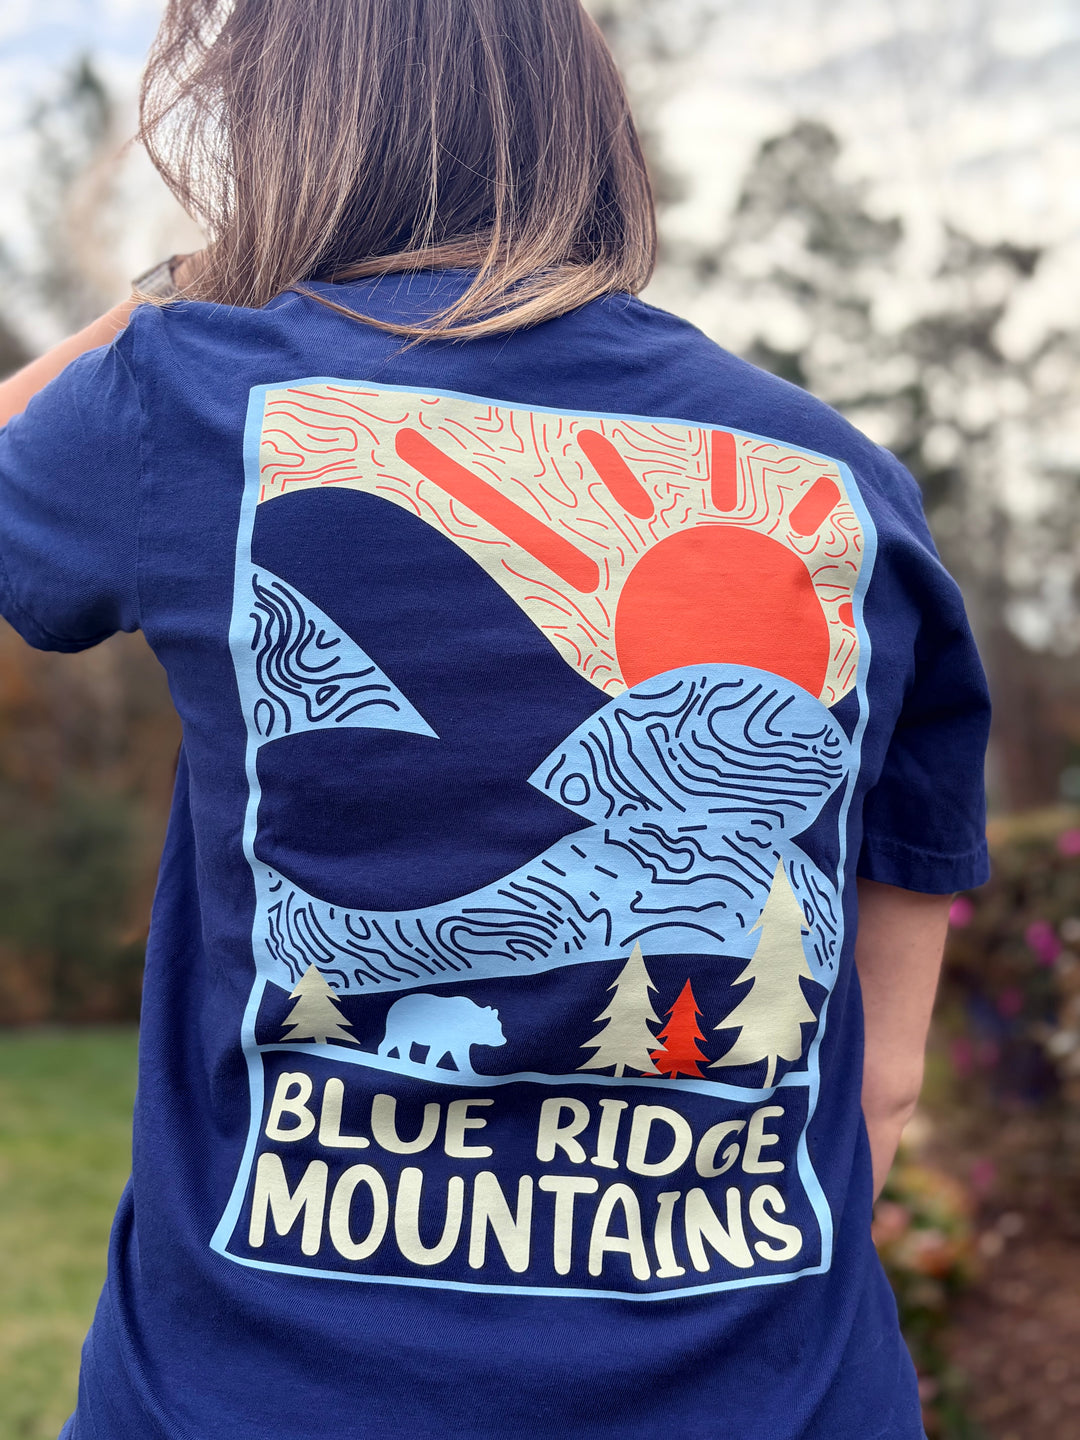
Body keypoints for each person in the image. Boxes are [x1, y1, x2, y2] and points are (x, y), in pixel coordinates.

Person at [0, 2, 989, 1437]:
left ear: (292, 129)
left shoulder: (187, 396)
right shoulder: (849, 484)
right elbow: (882, 1091)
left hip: (256, 1397)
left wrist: (175, 293)